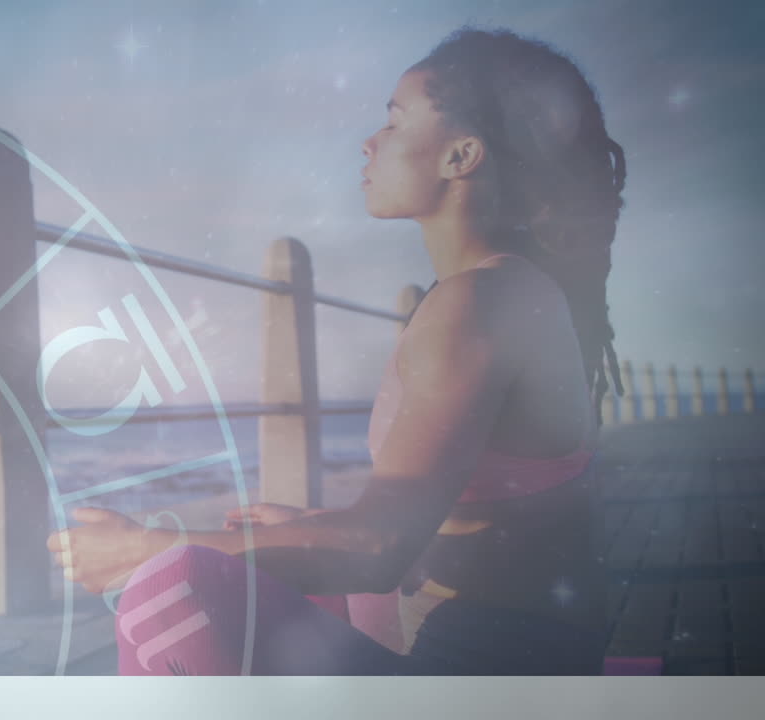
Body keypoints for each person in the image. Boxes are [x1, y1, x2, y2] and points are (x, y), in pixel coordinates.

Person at [47, 25, 627, 675]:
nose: (370, 142)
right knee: (279, 560)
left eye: (396, 122)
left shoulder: (480, 303)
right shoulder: (496, 291)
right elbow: (474, 516)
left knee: (171, 590)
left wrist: (141, 547)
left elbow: (378, 548)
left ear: (461, 156)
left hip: (484, 681)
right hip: (522, 661)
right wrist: (302, 525)